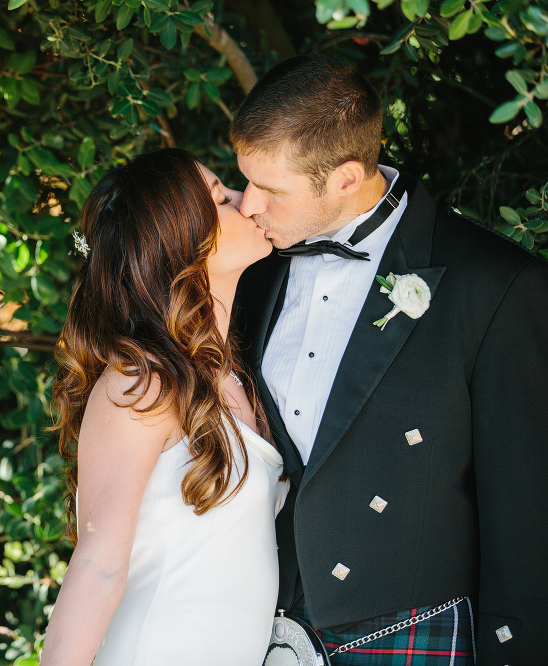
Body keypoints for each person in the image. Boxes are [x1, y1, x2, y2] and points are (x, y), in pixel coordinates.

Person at [232, 54, 548, 666]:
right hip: (250, 622)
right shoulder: (249, 270)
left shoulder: (496, 286)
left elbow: (526, 511)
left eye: (270, 189)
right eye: (245, 181)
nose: (248, 206)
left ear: (347, 178)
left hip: (408, 632)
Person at [40, 148, 289, 664]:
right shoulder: (142, 383)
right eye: (223, 197)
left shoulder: (235, 374)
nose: (247, 203)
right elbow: (98, 564)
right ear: (186, 244)